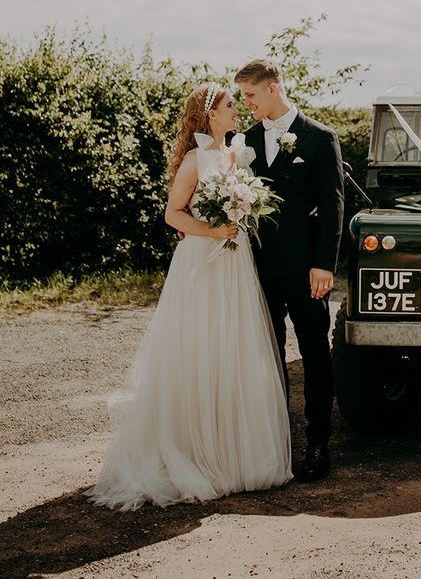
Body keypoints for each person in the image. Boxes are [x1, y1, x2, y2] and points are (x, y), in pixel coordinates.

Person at [88, 83, 292, 510]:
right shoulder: (195, 159)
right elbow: (173, 213)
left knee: (231, 351)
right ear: (211, 115)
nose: (237, 110)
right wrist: (213, 229)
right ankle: (193, 452)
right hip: (202, 260)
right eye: (231, 105)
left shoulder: (237, 153)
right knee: (198, 347)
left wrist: (242, 213)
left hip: (235, 263)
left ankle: (231, 454)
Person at [236, 59, 344, 482]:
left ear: (274, 89)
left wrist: (324, 264)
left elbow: (333, 206)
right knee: (267, 355)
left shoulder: (320, 138)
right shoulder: (242, 141)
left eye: (250, 95)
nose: (246, 104)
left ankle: (318, 442)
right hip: (258, 269)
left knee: (316, 354)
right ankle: (275, 442)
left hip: (306, 270)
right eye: (243, 96)